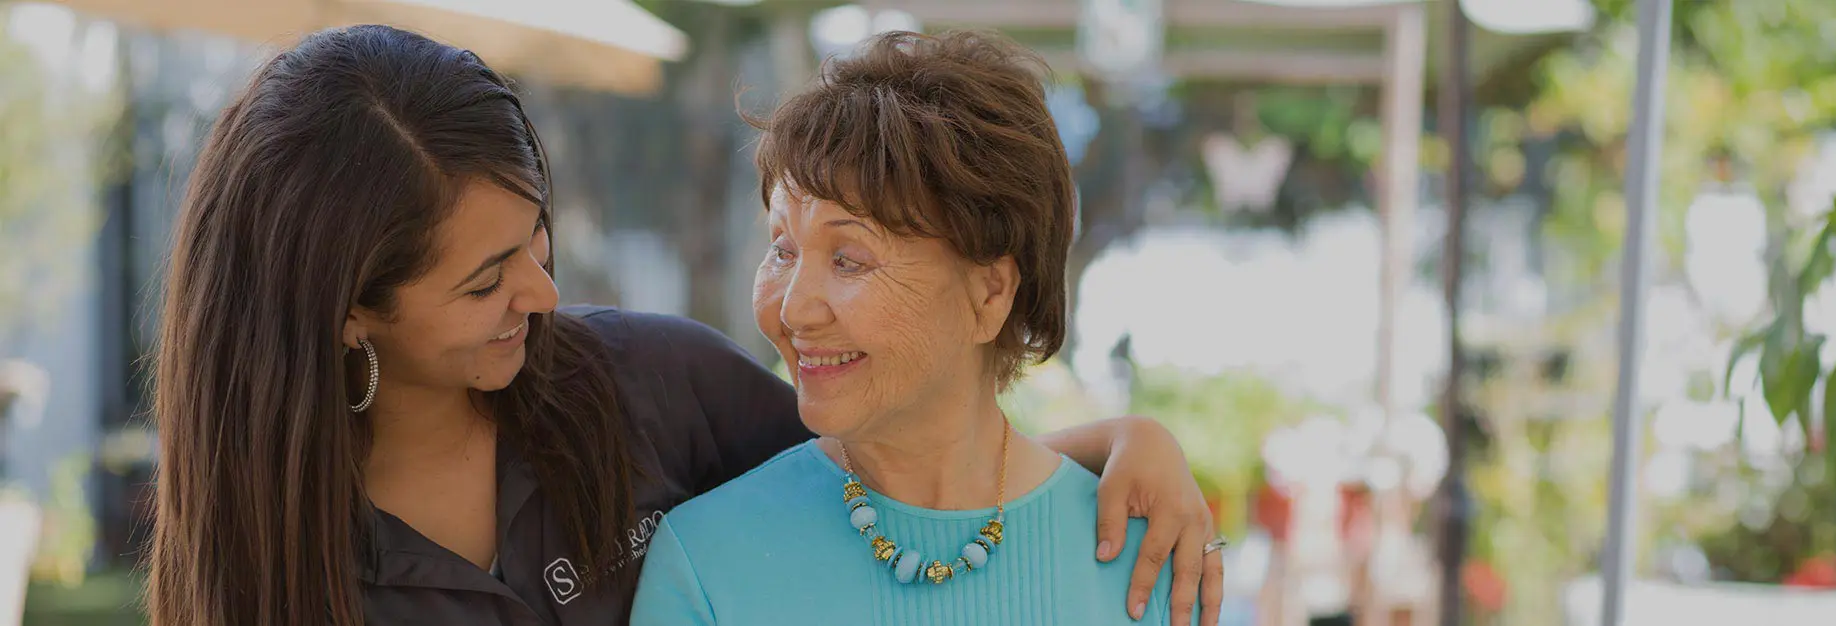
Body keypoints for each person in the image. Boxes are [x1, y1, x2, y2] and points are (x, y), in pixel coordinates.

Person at [143, 25, 1222, 626]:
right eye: (484, 281)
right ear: (350, 314)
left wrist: (1128, 446)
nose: (543, 293)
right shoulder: (271, 561)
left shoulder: (647, 382)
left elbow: (901, 455)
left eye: (538, 239)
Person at [630, 30, 1220, 626]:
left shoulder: (1152, 562)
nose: (794, 310)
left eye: (849, 260)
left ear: (990, 292)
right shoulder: (707, 562)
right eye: (782, 249)